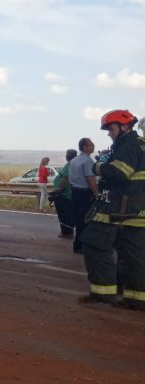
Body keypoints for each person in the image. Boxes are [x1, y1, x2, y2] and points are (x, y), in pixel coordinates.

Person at [80, 110, 145, 310]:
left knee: (94, 242)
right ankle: (136, 298)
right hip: (135, 209)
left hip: (120, 207)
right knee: (132, 254)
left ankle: (103, 293)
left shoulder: (129, 146)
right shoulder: (138, 145)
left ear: (124, 127)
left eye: (111, 129)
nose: (109, 133)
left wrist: (99, 165)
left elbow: (118, 173)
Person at [69, 138, 99, 254]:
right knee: (85, 220)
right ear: (85, 147)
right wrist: (96, 193)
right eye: (91, 145)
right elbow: (90, 180)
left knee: (79, 218)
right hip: (85, 193)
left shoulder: (74, 160)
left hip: (75, 191)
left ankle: (78, 244)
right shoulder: (88, 161)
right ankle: (80, 245)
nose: (93, 146)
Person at [53, 149, 77, 238]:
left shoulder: (70, 164)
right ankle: (67, 232)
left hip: (65, 194)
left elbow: (66, 178)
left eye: (68, 154)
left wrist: (58, 189)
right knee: (68, 213)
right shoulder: (74, 163)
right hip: (68, 193)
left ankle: (67, 232)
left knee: (64, 214)